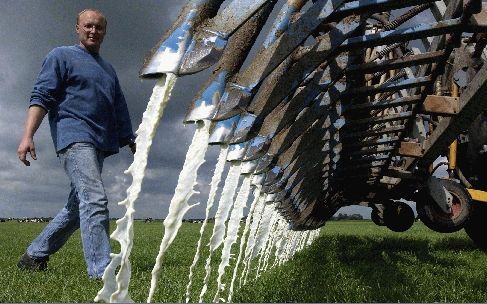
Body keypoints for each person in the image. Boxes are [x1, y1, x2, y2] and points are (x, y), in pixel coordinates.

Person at [16, 9, 136, 279]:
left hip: (100, 142)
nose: (93, 31)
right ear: (78, 29)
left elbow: (119, 105)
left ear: (105, 32)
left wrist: (128, 137)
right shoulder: (61, 56)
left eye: (99, 28)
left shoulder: (108, 69)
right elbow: (41, 95)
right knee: (94, 198)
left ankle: (34, 256)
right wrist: (27, 135)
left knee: (76, 207)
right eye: (88, 26)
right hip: (74, 137)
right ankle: (101, 273)